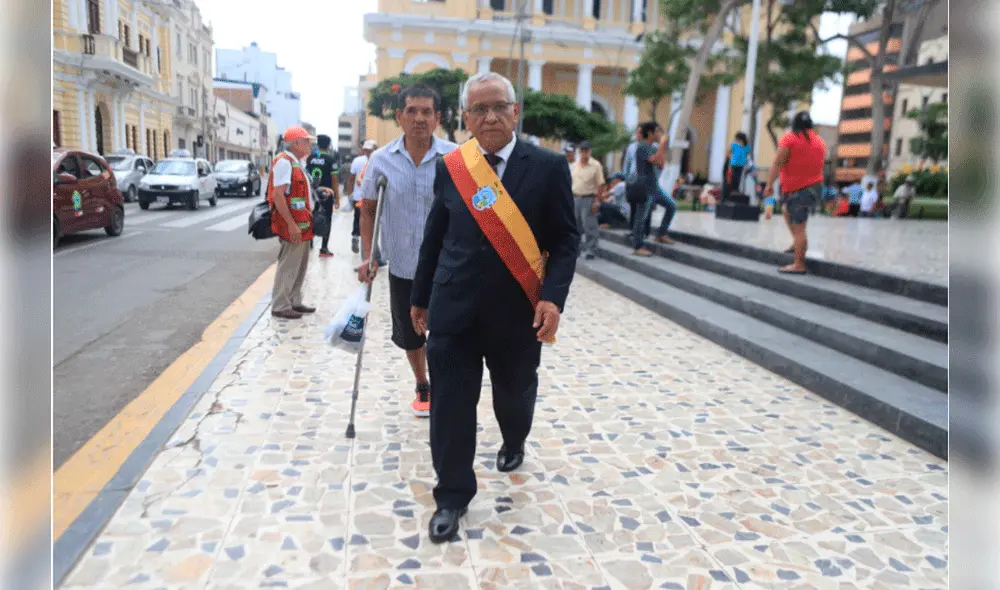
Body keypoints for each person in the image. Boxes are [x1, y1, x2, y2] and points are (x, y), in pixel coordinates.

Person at [410, 72, 579, 544]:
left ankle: (514, 438)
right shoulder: (453, 167)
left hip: (517, 312)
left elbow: (566, 239)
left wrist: (553, 297)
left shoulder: (546, 167)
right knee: (450, 407)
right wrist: (419, 295)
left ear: (515, 111)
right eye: (478, 109)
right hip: (454, 308)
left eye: (498, 106)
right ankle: (452, 496)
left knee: (516, 392)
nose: (489, 117)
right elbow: (435, 236)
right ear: (465, 118)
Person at [357, 85, 457, 417]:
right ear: (400, 116)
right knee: (411, 334)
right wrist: (368, 255)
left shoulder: (455, 158)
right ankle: (422, 382)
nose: (419, 118)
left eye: (427, 112)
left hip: (446, 266)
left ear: (438, 118)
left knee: (444, 330)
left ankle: (445, 383)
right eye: (411, 111)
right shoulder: (381, 161)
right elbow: (368, 210)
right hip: (402, 264)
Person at [764, 111, 827, 274]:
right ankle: (797, 244)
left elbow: (777, 163)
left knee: (799, 228)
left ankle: (799, 264)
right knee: (787, 212)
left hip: (799, 190)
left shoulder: (790, 138)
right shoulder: (819, 140)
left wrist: (769, 184)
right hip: (815, 188)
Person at [268, 126, 318, 319]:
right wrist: (290, 224)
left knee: (300, 264)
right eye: (306, 141)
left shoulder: (296, 162)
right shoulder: (284, 162)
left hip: (302, 223)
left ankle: (294, 300)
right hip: (293, 225)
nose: (309, 144)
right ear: (296, 143)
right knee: (289, 263)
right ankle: (280, 304)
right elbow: (278, 194)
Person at [629, 121, 667, 256]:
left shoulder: (651, 147)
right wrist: (662, 144)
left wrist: (661, 148)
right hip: (644, 186)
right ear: (650, 133)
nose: (659, 134)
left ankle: (660, 234)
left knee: (670, 206)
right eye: (657, 131)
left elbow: (661, 164)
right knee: (641, 216)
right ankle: (638, 246)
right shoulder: (643, 146)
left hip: (652, 186)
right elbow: (654, 161)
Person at [306, 134, 341, 258]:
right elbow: (334, 179)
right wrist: (337, 198)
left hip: (311, 193)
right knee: (327, 219)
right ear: (328, 145)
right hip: (326, 194)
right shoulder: (331, 160)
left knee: (310, 216)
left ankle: (309, 242)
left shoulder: (310, 158)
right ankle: (323, 248)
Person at [570, 140, 605, 260]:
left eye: (586, 151)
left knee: (589, 226)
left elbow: (600, 184)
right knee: (575, 226)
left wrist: (597, 201)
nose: (584, 154)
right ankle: (576, 249)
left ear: (590, 151)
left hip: (588, 198)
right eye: (582, 151)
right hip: (575, 198)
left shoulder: (595, 165)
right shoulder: (574, 165)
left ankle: (592, 250)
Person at [345, 140, 376, 254]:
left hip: (359, 197)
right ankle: (367, 250)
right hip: (368, 198)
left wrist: (350, 194)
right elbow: (355, 179)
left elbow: (352, 179)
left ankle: (356, 236)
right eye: (367, 150)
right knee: (368, 223)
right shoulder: (377, 160)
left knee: (359, 218)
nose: (368, 152)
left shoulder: (357, 161)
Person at [725, 132, 751, 197]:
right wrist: (731, 158)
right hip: (734, 163)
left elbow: (747, 154)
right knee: (733, 177)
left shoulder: (747, 147)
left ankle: (736, 190)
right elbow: (728, 152)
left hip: (741, 164)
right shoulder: (734, 145)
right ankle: (732, 190)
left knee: (738, 178)